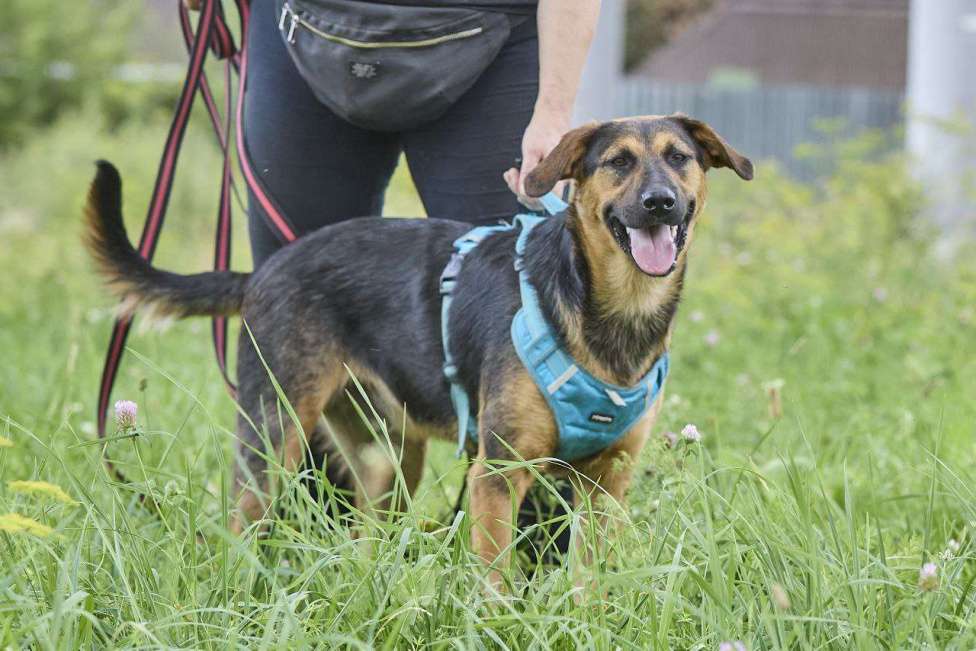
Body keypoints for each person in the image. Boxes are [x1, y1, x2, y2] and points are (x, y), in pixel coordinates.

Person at [186, 0, 600, 552]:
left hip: (496, 37)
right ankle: (313, 574)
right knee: (298, 339)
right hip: (304, 29)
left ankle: (526, 597)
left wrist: (553, 109)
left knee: (538, 332)